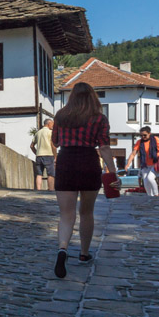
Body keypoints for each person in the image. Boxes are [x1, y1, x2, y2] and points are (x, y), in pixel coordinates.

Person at [50, 82, 116, 278]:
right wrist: (113, 173)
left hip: (66, 162)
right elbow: (104, 148)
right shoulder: (99, 119)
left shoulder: (61, 116)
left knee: (66, 214)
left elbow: (55, 141)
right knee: (86, 212)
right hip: (88, 162)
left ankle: (62, 249)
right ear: (92, 97)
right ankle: (84, 254)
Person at [124, 127, 159, 198]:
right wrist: (127, 164)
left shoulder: (156, 139)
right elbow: (133, 154)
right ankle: (150, 196)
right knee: (145, 181)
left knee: (150, 178)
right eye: (141, 135)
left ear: (149, 134)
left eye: (145, 135)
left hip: (155, 164)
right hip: (145, 165)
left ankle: (156, 195)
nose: (143, 137)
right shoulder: (139, 142)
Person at [31, 119, 56, 190]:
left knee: (39, 174)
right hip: (48, 155)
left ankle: (38, 190)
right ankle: (51, 190)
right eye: (52, 124)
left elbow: (31, 146)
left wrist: (37, 153)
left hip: (39, 156)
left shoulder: (38, 133)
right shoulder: (50, 132)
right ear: (49, 124)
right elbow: (53, 146)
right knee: (51, 174)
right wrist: (55, 156)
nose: (53, 126)